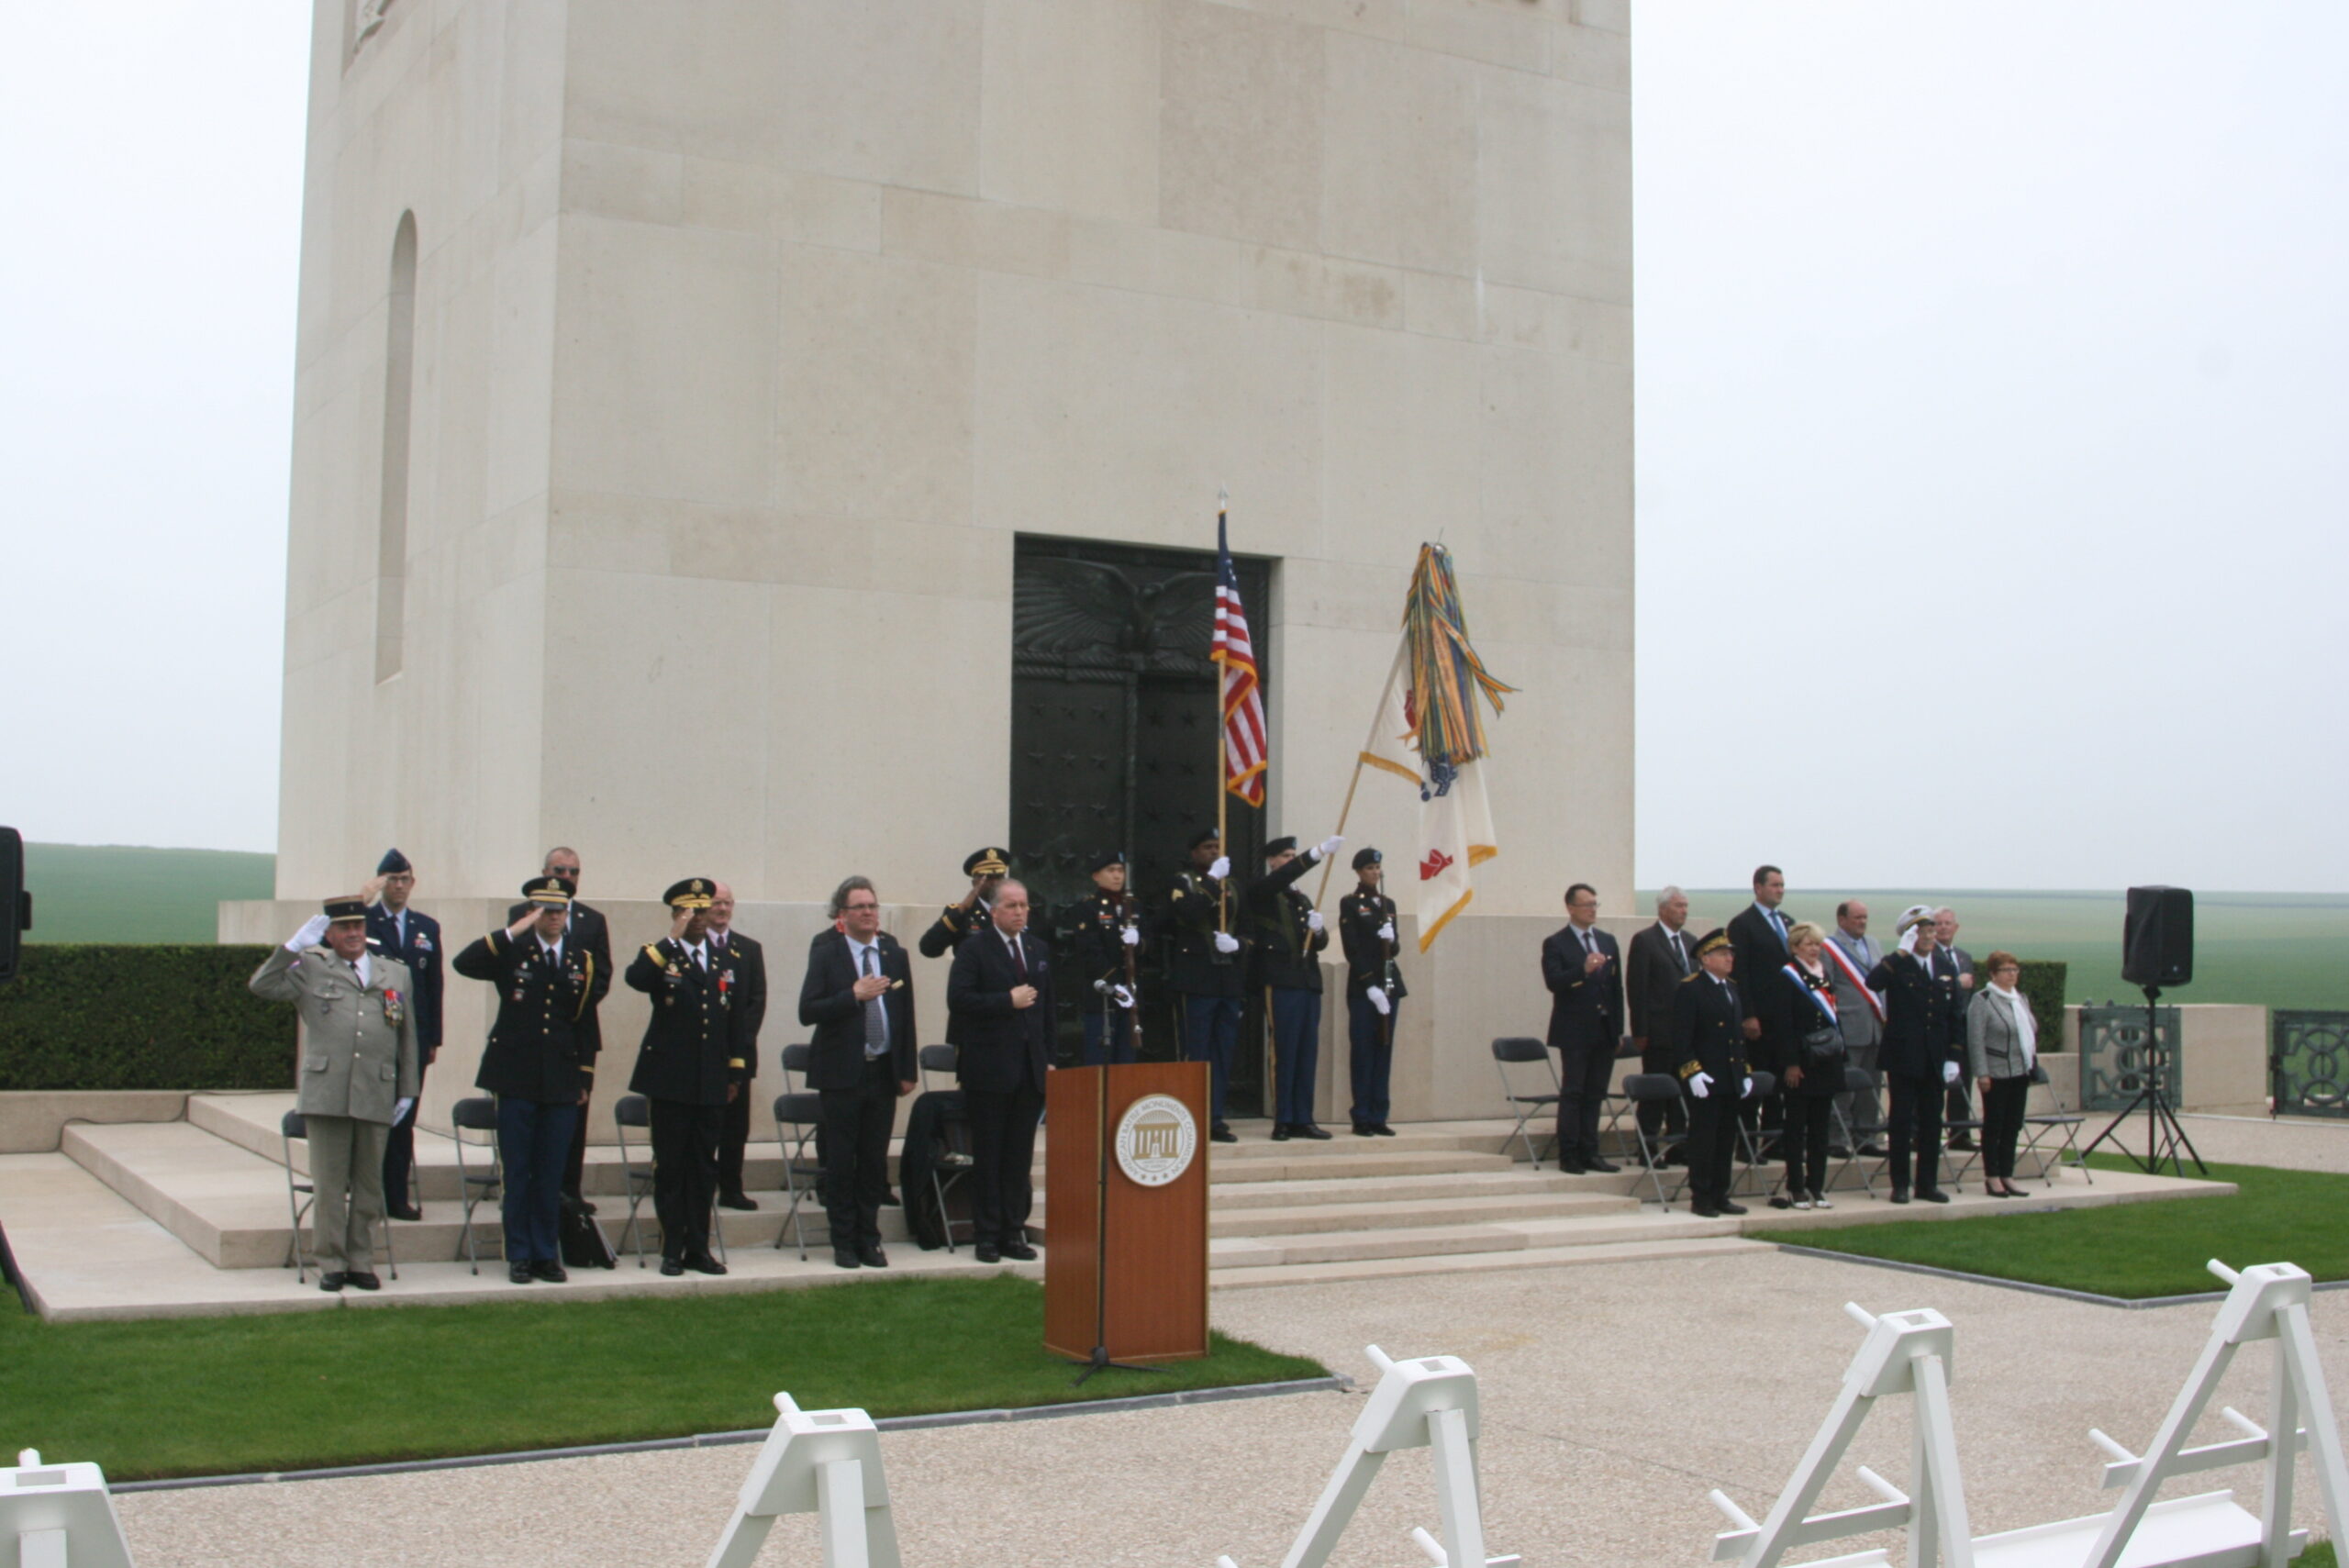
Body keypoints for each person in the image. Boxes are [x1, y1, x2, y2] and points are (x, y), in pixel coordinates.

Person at [248, 896, 420, 1291]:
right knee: (328, 1184)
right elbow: (261, 985)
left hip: (376, 1089)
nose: (354, 933)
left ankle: (361, 1260)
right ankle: (330, 1262)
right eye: (344, 928)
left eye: (358, 925)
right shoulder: (311, 967)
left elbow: (408, 1035)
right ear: (328, 934)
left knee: (368, 1184)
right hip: (327, 1092)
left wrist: (407, 1089)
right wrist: (291, 948)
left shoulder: (394, 973)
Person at [451, 876, 605, 1284]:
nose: (554, 917)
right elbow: (463, 963)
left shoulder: (580, 960)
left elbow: (584, 1022)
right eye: (546, 910)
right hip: (515, 1074)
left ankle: (545, 1252)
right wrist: (511, 931)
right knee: (519, 1170)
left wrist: (584, 1075)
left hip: (560, 1076)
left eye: (560, 911)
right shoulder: (512, 949)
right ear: (533, 912)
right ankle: (519, 1252)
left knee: (551, 1169)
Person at [624, 877, 748, 1276]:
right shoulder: (662, 955)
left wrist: (735, 1072)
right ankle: (671, 1248)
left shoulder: (722, 958)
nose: (699, 918)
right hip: (671, 1080)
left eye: (703, 910)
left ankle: (699, 1247)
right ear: (678, 914)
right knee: (672, 1169)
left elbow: (734, 1021)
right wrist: (670, 939)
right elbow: (637, 978)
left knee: (703, 1168)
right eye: (690, 912)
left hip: (710, 1081)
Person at [797, 876, 918, 1268]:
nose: (868, 913)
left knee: (872, 1161)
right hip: (841, 1074)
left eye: (872, 906)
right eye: (860, 907)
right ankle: (844, 1241)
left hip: (882, 1072)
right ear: (842, 915)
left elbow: (906, 1015)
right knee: (842, 1159)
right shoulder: (828, 953)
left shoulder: (892, 952)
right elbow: (808, 1010)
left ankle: (870, 1238)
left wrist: (906, 1068)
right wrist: (853, 995)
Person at [946, 879, 1054, 1263]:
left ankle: (1014, 1230)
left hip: (1029, 1071)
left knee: (1018, 1157)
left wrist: (1049, 1058)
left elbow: (1047, 1012)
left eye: (1024, 905)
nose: (1020, 912)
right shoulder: (975, 948)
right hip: (989, 1070)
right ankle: (987, 1234)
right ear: (994, 912)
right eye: (1011, 906)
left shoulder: (1038, 949)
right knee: (989, 1155)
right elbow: (959, 1000)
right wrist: (1005, 1001)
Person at [509, 847, 613, 1206]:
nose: (566, 876)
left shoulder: (592, 920)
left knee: (573, 1119)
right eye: (559, 869)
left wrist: (572, 1008)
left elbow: (601, 975)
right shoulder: (520, 915)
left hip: (577, 1032)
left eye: (573, 871)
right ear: (544, 871)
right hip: (531, 1038)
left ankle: (570, 1191)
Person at [362, 849, 442, 1222]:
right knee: (371, 1118)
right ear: (380, 883)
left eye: (404, 879)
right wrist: (360, 901)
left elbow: (433, 986)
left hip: (411, 1039)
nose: (399, 886)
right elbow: (332, 944)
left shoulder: (426, 928)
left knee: (402, 1119)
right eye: (391, 880)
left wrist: (432, 1040)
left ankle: (396, 1196)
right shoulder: (364, 922)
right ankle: (366, 1193)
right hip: (375, 1036)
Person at [1865, 906, 1964, 1204]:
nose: (1929, 936)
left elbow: (1955, 1014)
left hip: (1934, 1056)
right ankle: (1900, 1185)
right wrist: (1899, 954)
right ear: (1910, 935)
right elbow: (1874, 982)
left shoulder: (1944, 965)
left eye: (1932, 930)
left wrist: (1953, 1056)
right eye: (1922, 932)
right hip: (1903, 1056)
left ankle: (1927, 1184)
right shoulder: (1899, 964)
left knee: (1932, 1122)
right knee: (1901, 1121)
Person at [1249, 834, 1342, 1140]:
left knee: (1306, 1052)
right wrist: (1314, 854)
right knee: (1284, 1051)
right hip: (1281, 980)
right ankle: (1283, 1119)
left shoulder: (1300, 899)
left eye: (1293, 855)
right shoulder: (1264, 891)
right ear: (1272, 861)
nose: (1290, 860)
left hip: (1306, 981)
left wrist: (1318, 930)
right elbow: (1284, 877)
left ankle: (1304, 1117)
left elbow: (1319, 944)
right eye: (1286, 856)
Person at [1163, 828, 1244, 1143]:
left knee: (1223, 1052)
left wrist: (1237, 945)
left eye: (1218, 847)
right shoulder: (1182, 882)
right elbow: (1187, 912)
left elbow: (1247, 927)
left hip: (1228, 981)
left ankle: (1215, 1116)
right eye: (1208, 847)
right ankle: (1192, 1113)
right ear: (1194, 852)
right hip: (1197, 980)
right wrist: (1211, 882)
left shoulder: (1234, 886)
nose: (1213, 852)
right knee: (1196, 1052)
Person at [1542, 883, 1625, 1173]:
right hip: (1575, 1030)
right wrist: (1583, 970)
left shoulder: (1607, 940)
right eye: (1587, 904)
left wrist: (1617, 1030)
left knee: (1596, 1093)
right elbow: (1554, 982)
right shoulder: (1556, 943)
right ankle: (1569, 1154)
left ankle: (1591, 1151)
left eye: (1595, 904)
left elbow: (1616, 988)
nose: (1592, 909)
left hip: (1604, 1029)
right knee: (1574, 1092)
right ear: (1571, 908)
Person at [1672, 929, 1751, 1218]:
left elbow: (1737, 1037)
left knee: (1725, 1139)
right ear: (1706, 959)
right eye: (1723, 953)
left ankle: (1721, 1194)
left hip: (1729, 1076)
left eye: (1731, 953)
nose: (1730, 958)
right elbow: (1682, 1038)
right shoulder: (1691, 989)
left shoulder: (1731, 988)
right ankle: (1701, 1196)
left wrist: (1744, 1071)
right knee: (1704, 1139)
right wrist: (1692, 1072)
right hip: (1706, 1077)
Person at [1765, 922, 1844, 1210]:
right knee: (1796, 1128)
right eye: (1809, 944)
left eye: (1817, 944)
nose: (1814, 949)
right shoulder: (1788, 976)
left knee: (1820, 1129)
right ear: (1796, 946)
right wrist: (1791, 1063)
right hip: (1801, 1062)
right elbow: (1783, 1025)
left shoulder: (1823, 973)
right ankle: (1796, 1187)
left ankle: (1817, 1186)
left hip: (1826, 1060)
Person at [706, 883, 769, 1210]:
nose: (723, 909)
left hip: (738, 1057)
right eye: (717, 903)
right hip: (701, 1057)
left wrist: (737, 1049)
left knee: (735, 1126)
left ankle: (731, 1187)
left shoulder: (748, 949)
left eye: (728, 903)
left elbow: (755, 1003)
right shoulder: (695, 946)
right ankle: (702, 1185)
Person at [1624, 885, 1695, 1161]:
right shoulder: (1646, 941)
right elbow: (1637, 989)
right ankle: (1647, 1147)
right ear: (1663, 908)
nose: (1684, 911)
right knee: (1655, 1093)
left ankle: (1677, 1146)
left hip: (1686, 1035)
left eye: (1686, 906)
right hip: (1658, 1033)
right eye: (1678, 906)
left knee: (1681, 1092)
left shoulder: (1690, 942)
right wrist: (1640, 1031)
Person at [1338, 847, 1404, 1137]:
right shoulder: (1351, 903)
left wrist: (1392, 938)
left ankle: (1379, 1114)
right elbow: (1352, 948)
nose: (1375, 873)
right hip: (1366, 987)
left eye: (1377, 869)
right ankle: (1361, 1115)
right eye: (1369, 869)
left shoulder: (1388, 904)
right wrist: (1370, 986)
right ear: (1359, 872)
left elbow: (1395, 949)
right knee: (1363, 1051)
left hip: (1389, 983)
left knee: (1383, 1049)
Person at [1729, 864, 1792, 1153]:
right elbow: (1740, 974)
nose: (1779, 890)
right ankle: (1746, 1142)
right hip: (1759, 1019)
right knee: (1756, 1082)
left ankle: (1775, 1142)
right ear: (1758, 887)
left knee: (1780, 1084)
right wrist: (1748, 1015)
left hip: (1785, 1019)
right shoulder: (1743, 924)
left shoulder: (1789, 923)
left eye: (1781, 885)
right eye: (1774, 885)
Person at [1967, 951, 2038, 1197]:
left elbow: (2029, 1031)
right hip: (1995, 1072)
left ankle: (2008, 1174)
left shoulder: (2020, 999)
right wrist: (1982, 1073)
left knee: (2013, 1125)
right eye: (2006, 970)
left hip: (2020, 1070)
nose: (2012, 975)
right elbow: (1976, 1039)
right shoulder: (1983, 999)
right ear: (1993, 974)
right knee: (1994, 1125)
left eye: (2015, 970)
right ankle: (1993, 1176)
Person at [1063, 851, 1142, 1067]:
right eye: (1111, 870)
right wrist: (1116, 985)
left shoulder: (1133, 906)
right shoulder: (1087, 908)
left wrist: (1139, 942)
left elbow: (1149, 943)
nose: (1117, 876)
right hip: (1103, 995)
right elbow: (1090, 951)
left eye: (1120, 871)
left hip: (1131, 993)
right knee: (1100, 1059)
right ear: (1096, 876)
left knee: (1126, 1059)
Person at [1822, 900, 1887, 1158]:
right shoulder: (1830, 948)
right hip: (1848, 1027)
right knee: (1843, 1087)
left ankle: (1866, 1137)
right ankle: (1837, 1137)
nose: (1862, 922)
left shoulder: (1874, 944)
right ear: (1842, 920)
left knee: (1871, 1087)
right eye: (1857, 917)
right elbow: (1827, 989)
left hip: (1875, 1026)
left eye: (1865, 917)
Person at [1934, 907, 1980, 1151]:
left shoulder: (1964, 957)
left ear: (1956, 927)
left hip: (1961, 1030)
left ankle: (1960, 1134)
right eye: (1938, 923)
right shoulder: (1927, 956)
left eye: (1947, 923)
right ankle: (1923, 1133)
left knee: (1962, 1080)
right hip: (1937, 1029)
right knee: (1933, 1084)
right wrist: (1955, 982)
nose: (1943, 927)